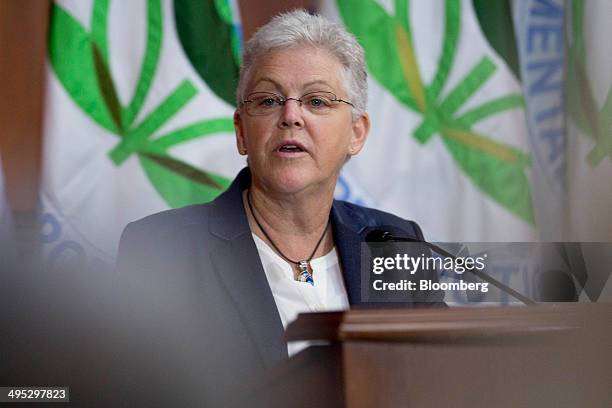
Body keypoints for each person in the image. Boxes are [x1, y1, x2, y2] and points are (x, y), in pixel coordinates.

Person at [113, 9, 442, 407]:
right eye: (268, 100)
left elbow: (439, 379)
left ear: (357, 133)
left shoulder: (397, 244)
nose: (290, 116)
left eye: (316, 101)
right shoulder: (163, 250)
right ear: (241, 131)